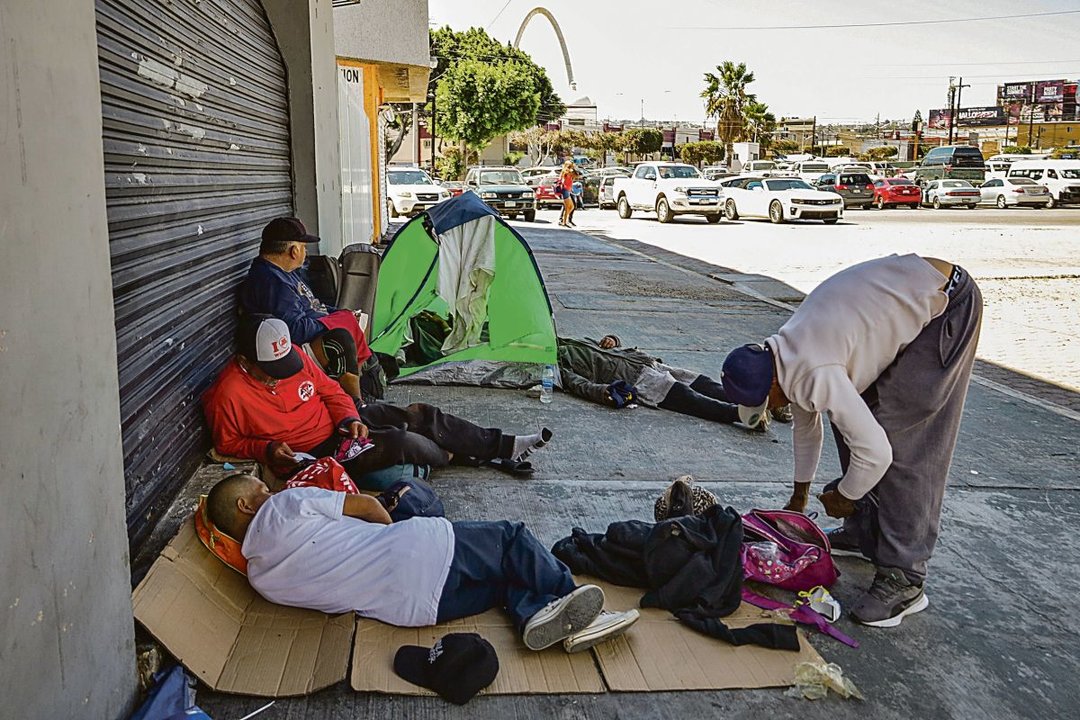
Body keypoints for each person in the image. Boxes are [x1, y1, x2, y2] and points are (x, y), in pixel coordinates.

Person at [720, 254, 982, 628]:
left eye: (765, 403)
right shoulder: (786, 353)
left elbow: (876, 454)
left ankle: (905, 578)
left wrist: (847, 494)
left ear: (773, 385)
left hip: (946, 302)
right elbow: (807, 427)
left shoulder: (813, 369)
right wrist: (800, 495)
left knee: (899, 440)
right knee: (853, 419)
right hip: (908, 293)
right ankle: (863, 531)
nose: (769, 409)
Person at [206, 473, 640, 653]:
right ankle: (583, 608)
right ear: (245, 504)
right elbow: (369, 509)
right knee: (512, 539)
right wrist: (389, 532)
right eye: (258, 486)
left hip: (416, 612)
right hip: (420, 554)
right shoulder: (286, 504)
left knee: (505, 578)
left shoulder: (260, 577)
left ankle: (532, 616)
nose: (267, 487)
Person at [202, 314, 553, 484]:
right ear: (246, 361)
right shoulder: (227, 394)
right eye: (271, 371)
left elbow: (330, 390)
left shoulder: (292, 356)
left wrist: (349, 418)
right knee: (400, 441)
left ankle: (503, 445)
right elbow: (227, 442)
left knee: (419, 414)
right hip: (318, 455)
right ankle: (460, 453)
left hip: (341, 426)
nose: (282, 374)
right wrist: (265, 451)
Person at [240, 217, 373, 402]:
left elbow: (315, 305)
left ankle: (360, 386)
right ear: (294, 251)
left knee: (357, 319)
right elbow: (294, 330)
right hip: (290, 350)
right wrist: (328, 323)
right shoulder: (272, 282)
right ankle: (356, 403)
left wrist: (339, 315)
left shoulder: (285, 273)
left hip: (311, 329)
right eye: (304, 247)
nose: (305, 252)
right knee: (340, 339)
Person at [556, 334, 782, 430]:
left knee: (699, 381)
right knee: (684, 396)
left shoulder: (570, 340)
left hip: (644, 361)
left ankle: (756, 401)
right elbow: (579, 385)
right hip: (634, 379)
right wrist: (604, 391)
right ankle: (739, 415)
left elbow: (609, 344)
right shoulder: (559, 363)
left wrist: (612, 339)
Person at [557, 161, 577, 228]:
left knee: (572, 207)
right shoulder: (566, 171)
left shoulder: (569, 172)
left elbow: (576, 176)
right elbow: (573, 174)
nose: (571, 166)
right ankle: (564, 222)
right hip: (565, 190)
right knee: (567, 207)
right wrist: (572, 170)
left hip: (568, 190)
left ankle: (564, 219)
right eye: (570, 165)